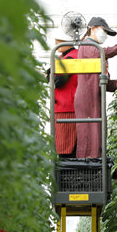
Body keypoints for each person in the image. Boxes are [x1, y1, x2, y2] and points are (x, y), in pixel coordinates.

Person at [74, 17, 117, 159]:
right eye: (104, 31)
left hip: (92, 95)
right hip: (87, 98)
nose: (105, 35)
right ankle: (87, 169)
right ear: (93, 28)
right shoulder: (88, 45)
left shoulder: (91, 46)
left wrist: (116, 85)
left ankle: (94, 166)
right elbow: (100, 53)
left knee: (96, 134)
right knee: (89, 135)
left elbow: (98, 79)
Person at [51, 27, 79, 158]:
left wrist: (49, 75)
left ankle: (67, 176)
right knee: (64, 146)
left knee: (66, 148)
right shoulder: (65, 57)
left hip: (67, 109)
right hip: (64, 107)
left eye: (59, 41)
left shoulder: (71, 58)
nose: (56, 44)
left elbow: (58, 80)